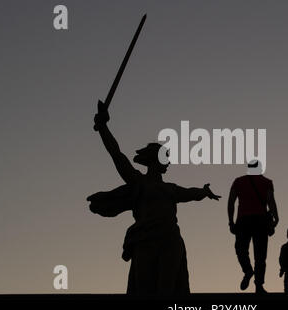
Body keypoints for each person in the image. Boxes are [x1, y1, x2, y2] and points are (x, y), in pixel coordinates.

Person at [87, 101, 221, 295]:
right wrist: (103, 128)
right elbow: (117, 155)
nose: (168, 161)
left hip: (170, 240)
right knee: (144, 289)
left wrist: (204, 191)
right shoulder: (138, 182)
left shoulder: (170, 188)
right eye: (165, 157)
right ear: (153, 160)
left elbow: (190, 193)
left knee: (167, 289)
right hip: (145, 239)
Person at [228, 160, 279, 294]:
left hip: (243, 221)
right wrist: (276, 217)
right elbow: (271, 201)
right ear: (260, 169)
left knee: (240, 249)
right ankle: (259, 286)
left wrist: (231, 222)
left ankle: (248, 271)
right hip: (260, 221)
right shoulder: (267, 182)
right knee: (260, 256)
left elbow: (231, 202)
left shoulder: (238, 181)